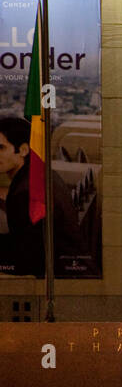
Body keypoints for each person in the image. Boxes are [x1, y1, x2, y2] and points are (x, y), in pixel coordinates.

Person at [0, 116, 82, 278]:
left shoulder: (25, 193)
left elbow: (26, 260)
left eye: (1, 148)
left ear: (23, 150)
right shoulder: (40, 175)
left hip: (60, 280)